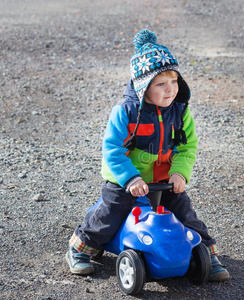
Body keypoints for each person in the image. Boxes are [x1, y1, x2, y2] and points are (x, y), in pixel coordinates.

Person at [65, 29, 230, 282]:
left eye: (174, 81)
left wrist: (179, 173)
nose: (170, 90)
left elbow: (187, 147)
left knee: (186, 214)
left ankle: (206, 252)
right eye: (161, 84)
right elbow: (113, 149)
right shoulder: (126, 112)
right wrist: (130, 179)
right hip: (125, 180)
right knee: (111, 213)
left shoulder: (180, 111)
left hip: (163, 180)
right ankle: (81, 248)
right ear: (143, 87)